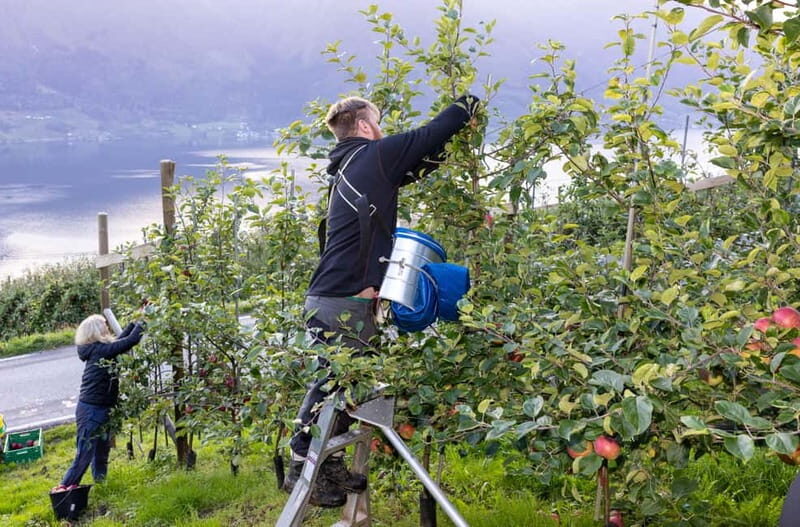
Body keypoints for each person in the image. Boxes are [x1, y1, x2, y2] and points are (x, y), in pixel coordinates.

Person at [282, 93, 480, 507]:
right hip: (340, 300)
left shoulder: (353, 166)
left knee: (345, 383)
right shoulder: (372, 156)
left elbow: (421, 165)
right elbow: (430, 134)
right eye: (379, 122)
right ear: (367, 127)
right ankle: (302, 462)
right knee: (332, 380)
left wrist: (451, 149)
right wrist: (469, 105)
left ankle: (325, 465)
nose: (384, 130)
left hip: (335, 296)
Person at [52, 314, 144, 491]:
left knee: (101, 451)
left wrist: (136, 319)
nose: (107, 328)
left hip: (102, 407)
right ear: (96, 331)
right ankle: (63, 490)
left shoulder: (101, 348)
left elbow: (121, 340)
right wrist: (144, 320)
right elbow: (130, 341)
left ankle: (101, 486)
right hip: (91, 410)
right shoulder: (100, 350)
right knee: (85, 454)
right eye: (104, 325)